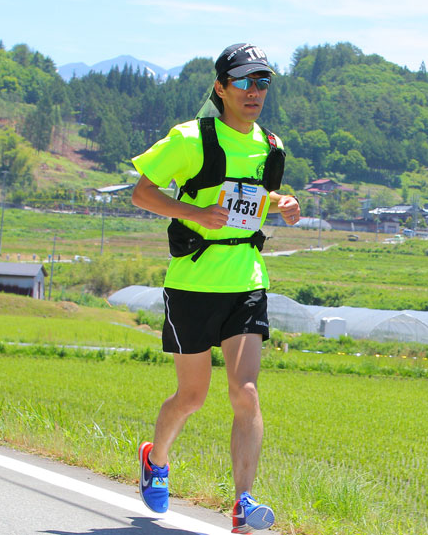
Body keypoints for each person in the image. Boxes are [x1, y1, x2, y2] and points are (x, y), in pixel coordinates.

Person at [130, 43, 300, 533]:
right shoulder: (189, 139)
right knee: (192, 396)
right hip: (192, 285)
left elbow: (254, 199)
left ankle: (244, 504)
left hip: (246, 281)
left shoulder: (271, 146)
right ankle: (155, 459)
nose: (255, 91)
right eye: (245, 82)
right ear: (221, 88)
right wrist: (195, 213)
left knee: (245, 392)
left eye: (263, 82)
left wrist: (281, 203)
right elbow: (142, 192)